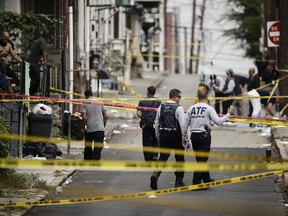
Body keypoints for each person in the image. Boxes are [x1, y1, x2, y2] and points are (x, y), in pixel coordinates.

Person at [182, 91, 234, 187]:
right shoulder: (208, 108)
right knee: (202, 159)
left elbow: (184, 125)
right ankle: (196, 182)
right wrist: (228, 114)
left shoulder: (191, 109)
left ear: (198, 99)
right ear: (206, 99)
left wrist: (184, 137)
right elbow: (218, 122)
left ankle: (206, 179)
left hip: (194, 136)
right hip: (204, 136)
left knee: (200, 158)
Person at [150, 89, 186, 190]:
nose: (180, 99)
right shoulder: (179, 108)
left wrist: (158, 136)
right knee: (179, 158)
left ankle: (155, 175)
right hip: (176, 135)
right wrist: (185, 138)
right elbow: (183, 125)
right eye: (179, 97)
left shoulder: (161, 107)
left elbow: (156, 123)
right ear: (175, 97)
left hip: (164, 134)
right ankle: (179, 181)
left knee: (163, 157)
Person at [81, 90, 108, 160]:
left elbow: (84, 117)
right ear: (92, 95)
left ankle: (88, 160)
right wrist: (104, 124)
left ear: (85, 96)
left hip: (90, 128)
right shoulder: (100, 102)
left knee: (88, 146)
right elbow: (106, 116)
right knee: (98, 146)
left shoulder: (85, 103)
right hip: (100, 127)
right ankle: (95, 160)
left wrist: (83, 127)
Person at [137, 86, 161, 161]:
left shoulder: (142, 101)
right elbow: (160, 113)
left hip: (146, 123)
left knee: (146, 141)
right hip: (155, 124)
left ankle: (148, 159)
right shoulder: (158, 102)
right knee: (155, 140)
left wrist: (143, 118)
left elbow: (138, 113)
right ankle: (155, 156)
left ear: (147, 92)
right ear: (154, 92)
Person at [26, 30, 50, 96]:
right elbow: (43, 51)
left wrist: (44, 60)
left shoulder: (40, 40)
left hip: (32, 62)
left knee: (33, 80)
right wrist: (45, 62)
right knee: (36, 80)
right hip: (32, 63)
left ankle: (29, 95)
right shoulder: (42, 41)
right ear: (47, 37)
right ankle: (30, 95)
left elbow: (44, 53)